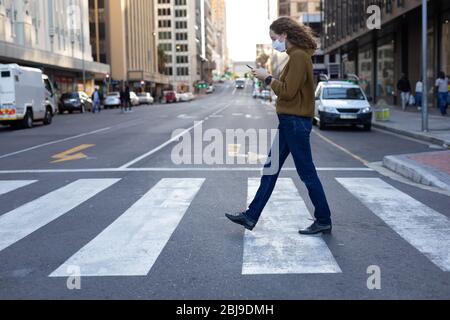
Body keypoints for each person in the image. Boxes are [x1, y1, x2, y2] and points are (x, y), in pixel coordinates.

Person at [225, 17, 332, 235]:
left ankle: (323, 219)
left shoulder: (299, 57)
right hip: (289, 123)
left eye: (274, 38)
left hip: (295, 123)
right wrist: (268, 77)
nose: (274, 43)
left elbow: (288, 91)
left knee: (306, 173)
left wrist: (267, 78)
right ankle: (251, 216)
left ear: (284, 35)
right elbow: (288, 89)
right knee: (270, 169)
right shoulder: (295, 57)